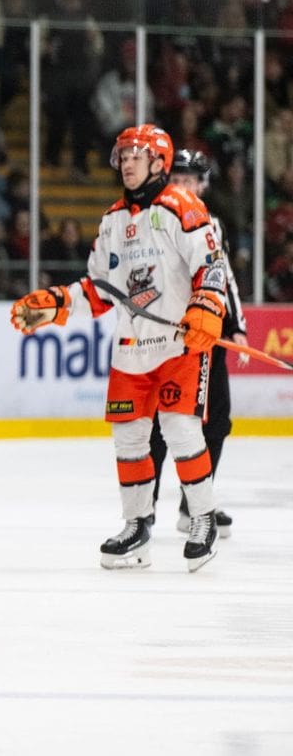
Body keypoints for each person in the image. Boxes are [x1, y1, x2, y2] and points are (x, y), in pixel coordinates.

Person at [10, 123, 226, 572]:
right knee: (128, 437)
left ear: (159, 162)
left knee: (181, 430)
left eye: (136, 156)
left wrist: (207, 307)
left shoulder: (182, 206)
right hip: (130, 350)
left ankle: (202, 517)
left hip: (177, 344)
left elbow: (211, 264)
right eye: (123, 156)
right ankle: (137, 527)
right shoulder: (111, 220)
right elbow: (101, 289)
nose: (127, 163)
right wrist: (58, 303)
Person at [149, 150, 247, 537]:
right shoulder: (153, 219)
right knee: (160, 423)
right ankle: (144, 508)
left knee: (217, 420)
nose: (184, 187)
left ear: (202, 185)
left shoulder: (212, 223)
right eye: (178, 180)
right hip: (169, 336)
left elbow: (224, 277)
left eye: (191, 181)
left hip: (210, 334)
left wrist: (234, 323)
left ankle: (195, 505)